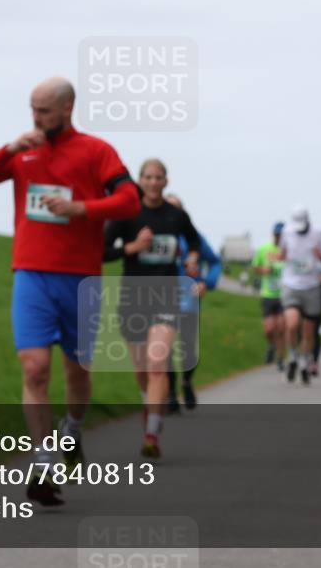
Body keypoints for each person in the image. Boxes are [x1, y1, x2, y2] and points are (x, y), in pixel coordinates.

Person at [0, 77, 140, 506]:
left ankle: (72, 430)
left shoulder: (96, 151)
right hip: (31, 273)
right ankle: (43, 462)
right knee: (34, 368)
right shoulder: (24, 151)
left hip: (81, 278)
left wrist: (83, 208)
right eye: (32, 109)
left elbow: (130, 200)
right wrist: (7, 149)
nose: (37, 118)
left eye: (44, 111)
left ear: (67, 108)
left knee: (77, 373)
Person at [104, 159, 201, 458]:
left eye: (159, 177)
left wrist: (193, 258)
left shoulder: (176, 215)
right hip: (134, 297)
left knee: (157, 362)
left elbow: (194, 240)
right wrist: (131, 248)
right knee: (142, 367)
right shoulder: (127, 213)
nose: (154, 182)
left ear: (166, 181)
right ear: (140, 180)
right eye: (148, 177)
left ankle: (152, 432)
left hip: (166, 295)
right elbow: (103, 251)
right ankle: (149, 402)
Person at [164, 194, 221, 413]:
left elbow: (215, 261)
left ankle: (186, 382)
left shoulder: (193, 238)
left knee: (187, 348)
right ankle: (170, 394)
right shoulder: (155, 237)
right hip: (162, 299)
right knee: (165, 347)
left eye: (175, 209)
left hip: (188, 299)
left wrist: (206, 283)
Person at [276, 206, 321, 385]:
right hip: (291, 284)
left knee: (308, 330)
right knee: (291, 324)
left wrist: (319, 255)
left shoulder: (319, 232)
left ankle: (305, 361)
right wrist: (277, 258)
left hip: (311, 286)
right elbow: (281, 254)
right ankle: (292, 357)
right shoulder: (287, 232)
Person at [252, 222, 287, 371]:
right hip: (268, 294)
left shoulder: (288, 251)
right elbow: (255, 267)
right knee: (269, 329)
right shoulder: (264, 249)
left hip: (283, 295)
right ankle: (272, 346)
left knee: (281, 328)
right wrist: (264, 270)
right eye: (277, 235)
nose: (279, 238)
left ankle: (280, 358)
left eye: (281, 235)